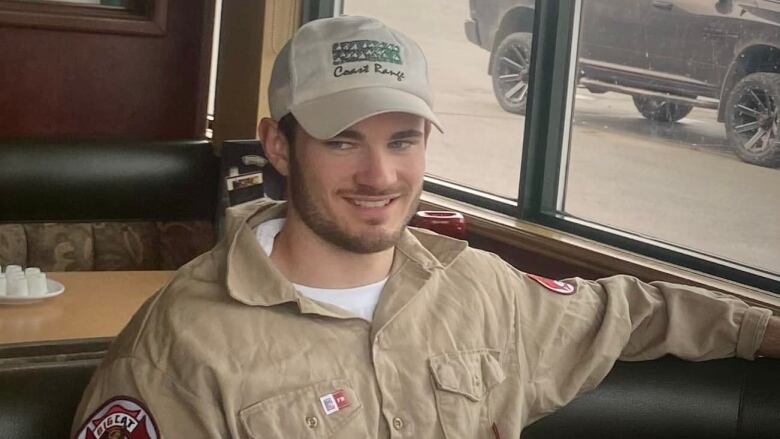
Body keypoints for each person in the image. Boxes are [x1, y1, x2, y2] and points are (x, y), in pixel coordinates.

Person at [72, 15, 780, 439]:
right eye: (344, 140)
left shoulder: (481, 290)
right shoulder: (180, 345)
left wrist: (761, 328)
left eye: (403, 139)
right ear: (280, 144)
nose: (380, 174)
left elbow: (628, 313)